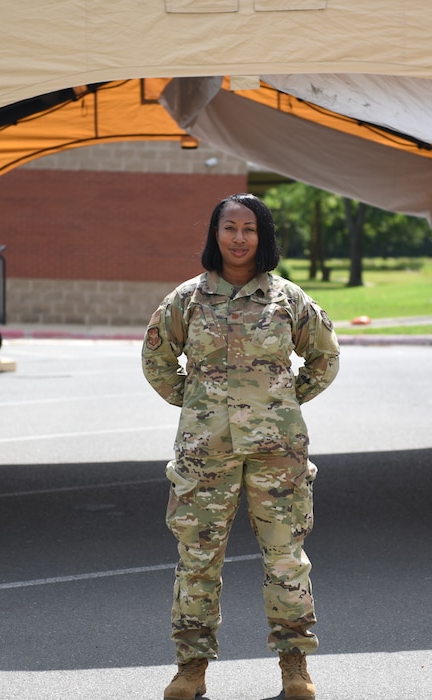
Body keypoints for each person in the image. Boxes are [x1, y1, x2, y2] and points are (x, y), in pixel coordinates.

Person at [142, 193, 340, 700]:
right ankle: (191, 668)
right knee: (198, 557)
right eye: (229, 228)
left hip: (278, 451)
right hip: (205, 451)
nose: (238, 238)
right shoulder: (185, 300)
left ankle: (294, 665)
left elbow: (324, 356)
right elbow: (157, 360)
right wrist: (196, 404)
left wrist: (282, 401)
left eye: (248, 229)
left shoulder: (288, 299)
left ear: (262, 236)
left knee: (285, 556)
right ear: (215, 235)